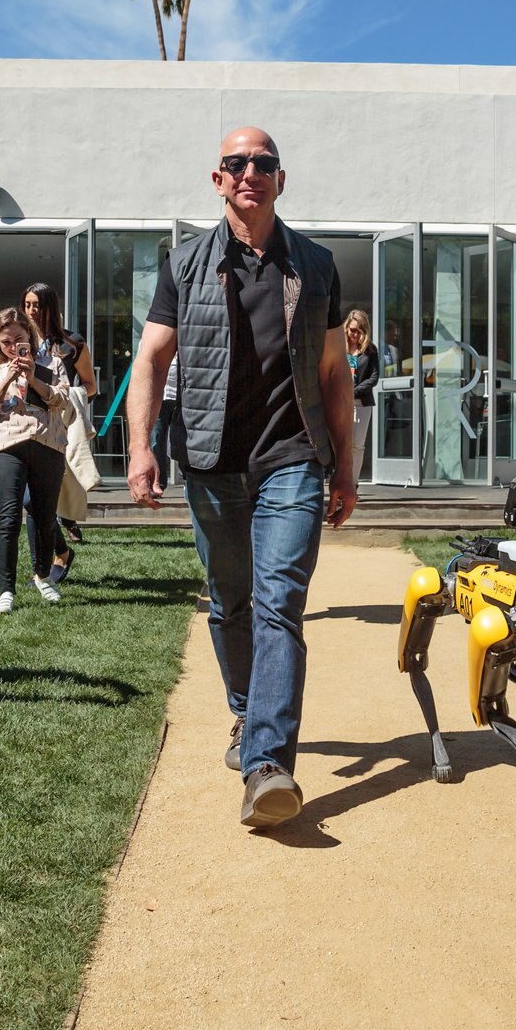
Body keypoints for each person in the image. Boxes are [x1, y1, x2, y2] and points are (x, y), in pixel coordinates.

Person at [126, 125, 356, 830]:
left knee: (279, 602)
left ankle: (267, 766)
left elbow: (333, 372)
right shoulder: (185, 264)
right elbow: (151, 359)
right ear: (219, 179)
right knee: (230, 602)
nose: (250, 171)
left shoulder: (315, 265)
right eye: (237, 162)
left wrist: (345, 467)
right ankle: (246, 711)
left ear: (280, 179)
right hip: (212, 464)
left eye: (264, 162)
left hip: (293, 458)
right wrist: (139, 448)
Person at [0, 308, 70, 614]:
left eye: (18, 339)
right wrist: (7, 379)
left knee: (45, 517)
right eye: (5, 342)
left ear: (29, 335)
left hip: (48, 444)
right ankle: (6, 591)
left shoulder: (53, 364)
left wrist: (32, 377)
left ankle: (43, 577)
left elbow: (62, 400)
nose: (12, 346)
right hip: (8, 446)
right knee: (9, 519)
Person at [20, 282, 99, 584]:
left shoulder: (71, 343)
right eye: (27, 304)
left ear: (50, 307)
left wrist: (72, 397)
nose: (31, 311)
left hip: (58, 428)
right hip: (24, 426)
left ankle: (51, 561)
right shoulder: (20, 339)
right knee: (30, 500)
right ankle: (54, 557)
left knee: (40, 499)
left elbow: (90, 386)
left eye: (37, 305)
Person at [344, 310, 379, 484]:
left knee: (357, 445)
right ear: (346, 328)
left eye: (360, 331)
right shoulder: (339, 348)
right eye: (352, 330)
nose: (355, 335)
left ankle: (353, 483)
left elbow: (374, 377)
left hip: (361, 403)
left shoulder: (370, 350)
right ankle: (341, 481)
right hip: (341, 403)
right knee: (342, 444)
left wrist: (355, 391)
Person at [149, 353, 178, 489]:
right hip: (160, 401)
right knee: (156, 442)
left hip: (180, 401)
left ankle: (188, 480)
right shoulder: (153, 348)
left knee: (182, 442)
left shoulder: (184, 349)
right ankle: (158, 482)